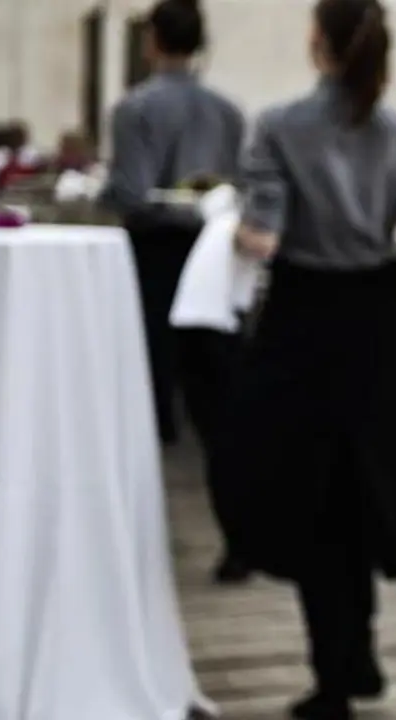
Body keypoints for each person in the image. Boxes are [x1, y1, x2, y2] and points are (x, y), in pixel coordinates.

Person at [214, 0, 396, 717]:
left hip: (302, 324)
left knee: (307, 499)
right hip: (374, 325)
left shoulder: (279, 125)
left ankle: (335, 678)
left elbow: (264, 239)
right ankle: (361, 654)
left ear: (317, 42)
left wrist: (232, 229)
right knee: (362, 490)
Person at [100, 0, 250, 584]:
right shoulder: (229, 112)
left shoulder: (136, 108)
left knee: (145, 404)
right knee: (217, 416)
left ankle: (137, 547)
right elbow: (237, 191)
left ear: (153, 41)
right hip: (215, 268)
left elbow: (133, 197)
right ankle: (240, 538)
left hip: (159, 265)